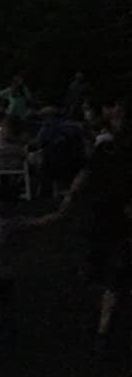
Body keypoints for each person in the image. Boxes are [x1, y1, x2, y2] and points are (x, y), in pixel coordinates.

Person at [59, 102, 131, 349]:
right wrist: (71, 197)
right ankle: (103, 322)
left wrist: (70, 198)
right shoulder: (107, 148)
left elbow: (85, 173)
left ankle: (103, 326)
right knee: (106, 271)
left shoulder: (109, 148)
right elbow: (86, 172)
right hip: (106, 214)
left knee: (110, 271)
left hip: (109, 214)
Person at [0, 192, 61, 332]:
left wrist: (59, 215)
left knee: (0, 301)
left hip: (1, 268)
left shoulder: (12, 223)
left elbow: (38, 222)